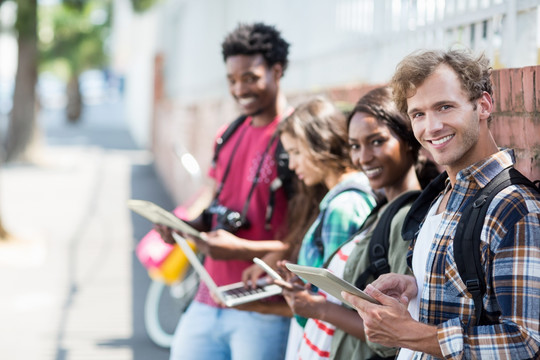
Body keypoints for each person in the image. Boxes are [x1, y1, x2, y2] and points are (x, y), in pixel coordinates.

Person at [342, 49, 540, 359]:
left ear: (483, 105)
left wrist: (412, 334)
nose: (431, 127)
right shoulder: (442, 194)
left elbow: (527, 342)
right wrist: (415, 286)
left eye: (445, 107)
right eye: (418, 113)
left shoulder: (514, 207)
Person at [159, 22, 295, 360]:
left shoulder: (298, 137)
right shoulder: (228, 133)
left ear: (277, 71)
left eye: (250, 77)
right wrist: (184, 223)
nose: (239, 90)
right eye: (232, 80)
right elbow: (212, 189)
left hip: (264, 305)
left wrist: (246, 249)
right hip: (210, 294)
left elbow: (309, 225)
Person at [280, 86, 438, 360]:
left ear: (410, 140)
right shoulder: (381, 210)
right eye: (355, 145)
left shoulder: (407, 217)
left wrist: (319, 309)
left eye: (377, 141)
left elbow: (396, 335)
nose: (363, 157)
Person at [272, 97, 379, 359]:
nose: (293, 164)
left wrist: (302, 300)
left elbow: (336, 299)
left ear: (319, 143)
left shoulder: (343, 208)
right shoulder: (346, 197)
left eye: (296, 152)